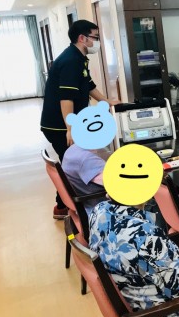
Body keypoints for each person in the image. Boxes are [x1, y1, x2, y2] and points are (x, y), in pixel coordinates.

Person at [40, 19, 120, 219]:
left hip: (68, 123)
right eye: (95, 37)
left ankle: (64, 206)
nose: (97, 41)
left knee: (71, 166)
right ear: (82, 38)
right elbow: (66, 98)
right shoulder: (70, 61)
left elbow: (89, 84)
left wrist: (107, 101)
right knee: (71, 166)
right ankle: (67, 207)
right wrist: (70, 128)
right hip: (59, 125)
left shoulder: (79, 58)